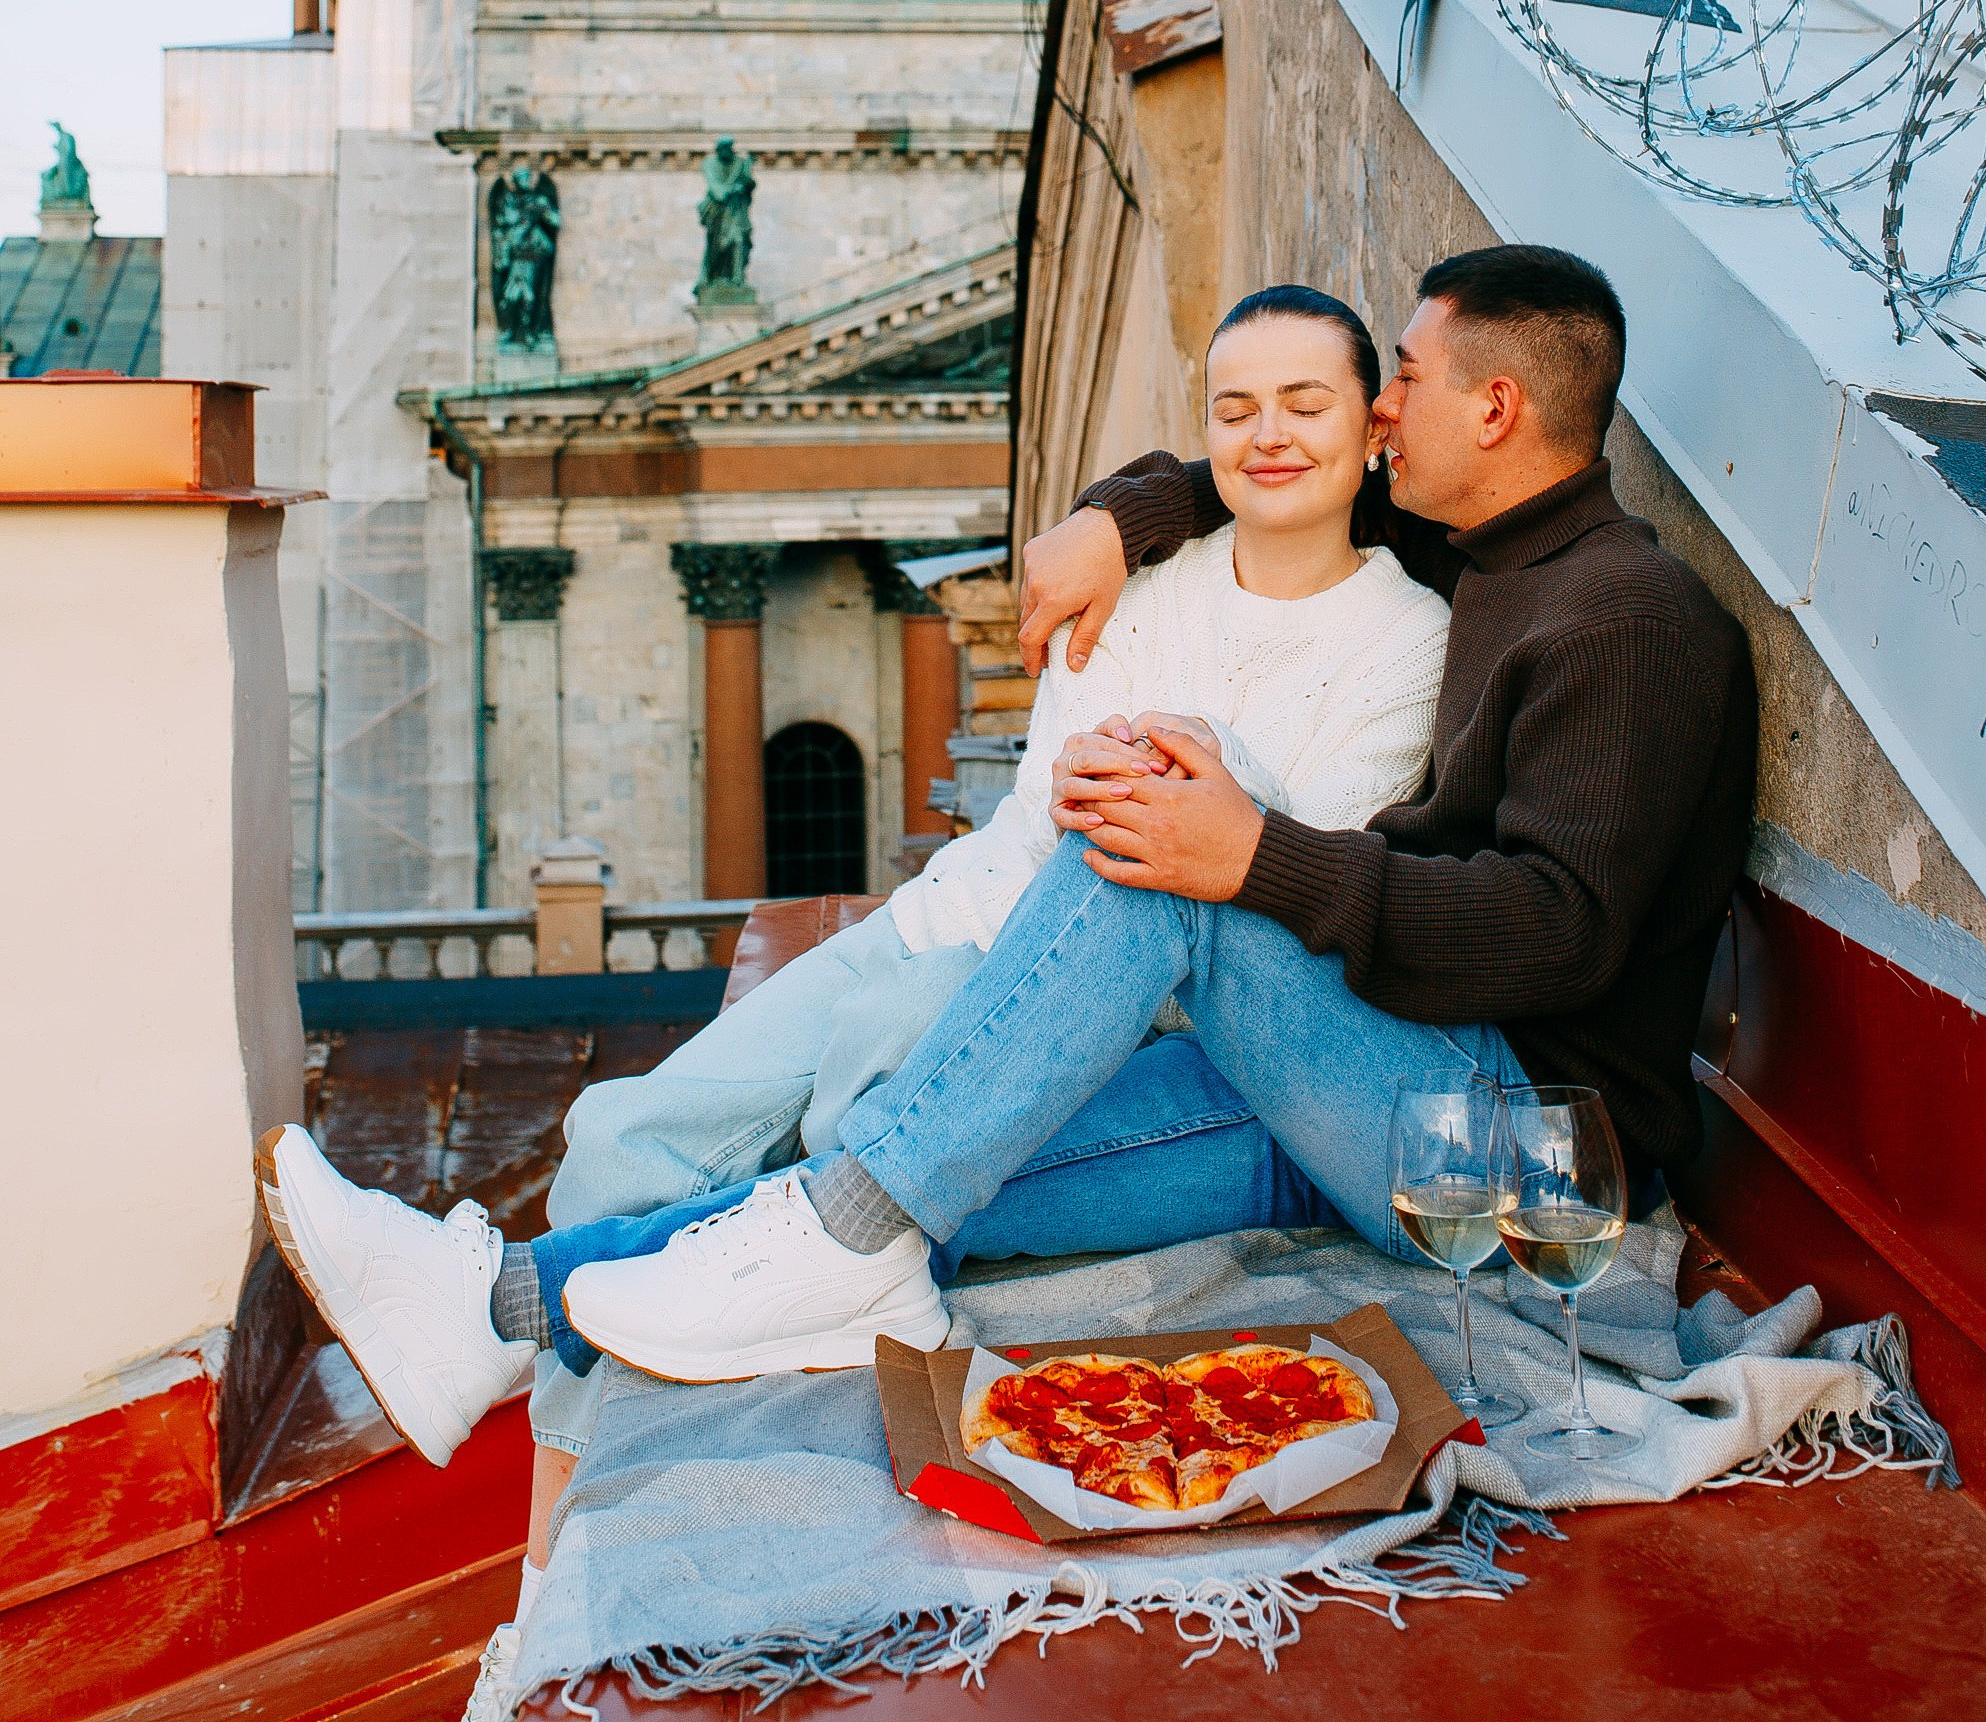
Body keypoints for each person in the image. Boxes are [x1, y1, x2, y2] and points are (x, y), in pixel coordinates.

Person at [253, 288, 1450, 1693]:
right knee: (618, 1137)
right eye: (1234, 408)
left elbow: (1275, 865)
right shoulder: (1137, 576)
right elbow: (1065, 800)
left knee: (841, 1147)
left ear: (1373, 423)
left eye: (1305, 404)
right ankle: (548, 1571)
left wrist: (1182, 771)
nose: (1267, 435)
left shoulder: (1408, 636)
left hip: (1086, 983)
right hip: (950, 914)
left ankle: (542, 1426)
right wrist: (1155, 711)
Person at [528, 242, 1758, 1383]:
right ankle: (520, 1304)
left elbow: (1558, 931)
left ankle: (831, 1251)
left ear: (1492, 412)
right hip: (1359, 1074)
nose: (1383, 409)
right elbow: (1259, 479)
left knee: (1154, 836)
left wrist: (1253, 855)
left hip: (1509, 1147)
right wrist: (1117, 520)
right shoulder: (1479, 551)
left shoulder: (1628, 619)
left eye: (1406, 376)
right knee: (933, 1165)